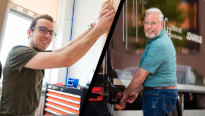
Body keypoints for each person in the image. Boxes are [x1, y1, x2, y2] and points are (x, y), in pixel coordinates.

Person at [0, 2, 115, 115]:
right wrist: (99, 29)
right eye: (43, 30)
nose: (48, 36)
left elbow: (67, 47)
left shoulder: (38, 56)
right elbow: (66, 58)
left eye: (51, 33)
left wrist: (94, 25)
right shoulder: (18, 53)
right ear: (29, 32)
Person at [120, 8, 177, 116]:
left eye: (153, 23)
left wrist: (125, 94)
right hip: (160, 94)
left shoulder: (159, 44)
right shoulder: (158, 41)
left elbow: (141, 76)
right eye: (146, 23)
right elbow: (151, 75)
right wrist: (136, 91)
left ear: (161, 24)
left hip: (158, 95)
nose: (149, 27)